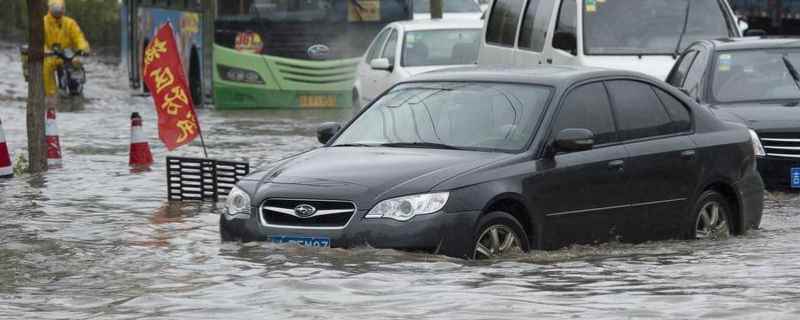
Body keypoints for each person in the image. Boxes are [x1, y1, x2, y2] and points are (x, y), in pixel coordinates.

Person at [43, 0, 90, 97]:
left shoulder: (70, 23)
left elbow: (79, 38)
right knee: (46, 68)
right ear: (50, 8)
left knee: (76, 65)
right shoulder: (43, 22)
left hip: (68, 56)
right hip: (49, 56)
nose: (58, 12)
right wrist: (44, 50)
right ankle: (51, 96)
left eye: (60, 9)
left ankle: (76, 91)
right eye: (55, 8)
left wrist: (83, 49)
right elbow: (38, 40)